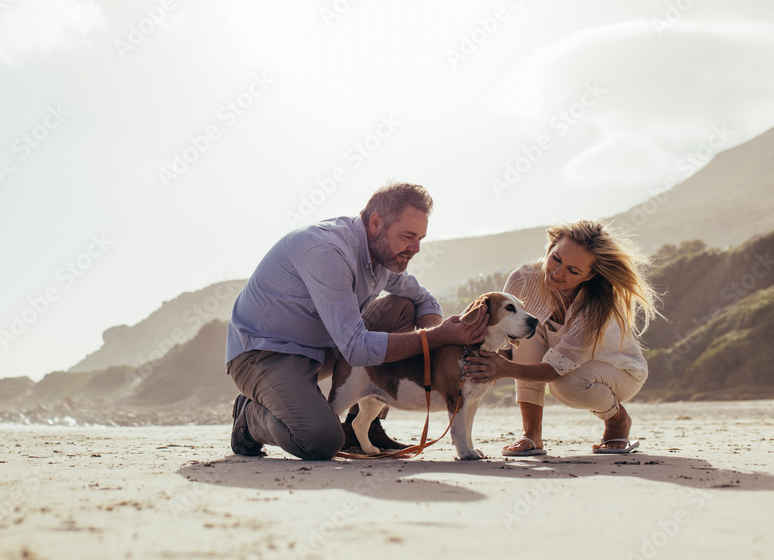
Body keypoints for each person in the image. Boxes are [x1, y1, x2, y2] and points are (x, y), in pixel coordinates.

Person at [226, 181, 488, 460]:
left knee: (404, 306)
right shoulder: (327, 251)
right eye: (408, 236)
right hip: (265, 353)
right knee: (321, 441)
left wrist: (434, 340)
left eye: (420, 239)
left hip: (325, 347)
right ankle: (250, 416)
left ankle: (362, 425)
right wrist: (437, 338)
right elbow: (356, 349)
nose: (416, 248)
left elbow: (425, 300)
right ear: (376, 223)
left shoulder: (385, 255)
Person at [462, 220, 662, 455]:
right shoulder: (523, 279)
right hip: (560, 364)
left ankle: (617, 420)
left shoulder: (596, 306)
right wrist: (486, 365)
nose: (557, 273)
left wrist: (503, 368)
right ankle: (531, 435)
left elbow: (554, 370)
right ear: (550, 247)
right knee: (527, 329)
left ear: (590, 275)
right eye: (556, 259)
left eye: (573, 270)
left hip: (619, 372)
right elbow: (505, 333)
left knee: (565, 385)